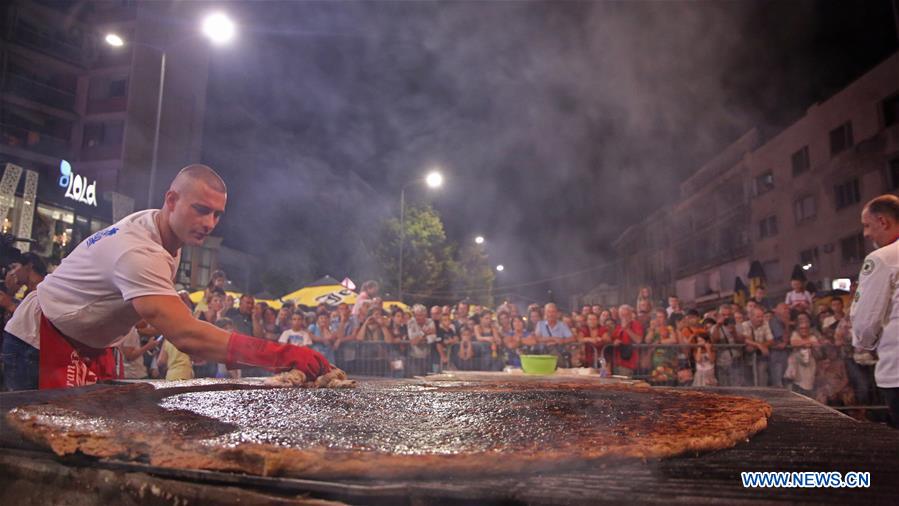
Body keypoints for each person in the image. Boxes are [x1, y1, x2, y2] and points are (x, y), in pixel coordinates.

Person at [1, 165, 330, 391]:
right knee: (40, 448)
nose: (210, 223)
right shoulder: (138, 250)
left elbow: (159, 314)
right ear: (171, 200)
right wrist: (281, 355)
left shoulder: (166, 235)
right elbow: (186, 335)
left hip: (88, 345)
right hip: (40, 341)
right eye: (201, 209)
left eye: (217, 214)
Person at [851, 194, 899, 427]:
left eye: (867, 225)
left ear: (883, 221)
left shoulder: (882, 259)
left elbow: (866, 321)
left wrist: (864, 343)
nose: (865, 234)